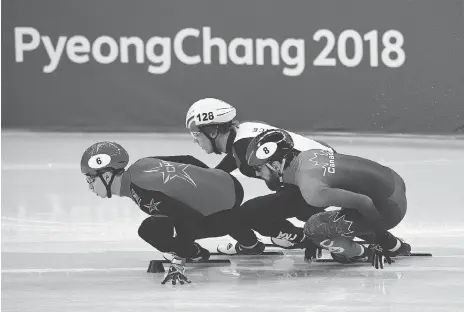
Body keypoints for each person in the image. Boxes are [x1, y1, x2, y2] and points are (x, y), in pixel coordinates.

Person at [80, 141, 268, 285]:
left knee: (150, 231)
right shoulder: (141, 164)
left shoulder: (142, 195)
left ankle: (206, 249)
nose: (89, 186)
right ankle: (246, 242)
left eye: (90, 178)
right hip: (227, 181)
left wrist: (179, 260)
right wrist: (210, 179)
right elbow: (188, 159)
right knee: (152, 226)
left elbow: (187, 218)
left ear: (106, 175)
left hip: (226, 207)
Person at [185, 98, 334, 256]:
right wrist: (212, 176)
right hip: (326, 169)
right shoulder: (242, 134)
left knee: (252, 215)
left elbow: (274, 185)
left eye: (196, 134)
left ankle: (301, 237)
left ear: (213, 131)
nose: (195, 140)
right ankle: (296, 234)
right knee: (267, 211)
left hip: (320, 181)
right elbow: (234, 159)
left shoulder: (244, 148)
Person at [245, 129, 411, 269]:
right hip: (393, 181)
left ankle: (362, 253)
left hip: (390, 208)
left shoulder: (312, 189)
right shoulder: (308, 156)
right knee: (341, 215)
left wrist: (380, 239)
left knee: (313, 228)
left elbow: (364, 203)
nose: (257, 174)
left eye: (258, 169)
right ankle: (395, 246)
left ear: (275, 166)